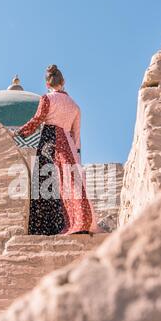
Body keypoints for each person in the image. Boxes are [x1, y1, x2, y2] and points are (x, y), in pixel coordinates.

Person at [13, 65, 99, 236]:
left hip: (49, 142)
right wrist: (76, 156)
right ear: (63, 82)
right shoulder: (75, 106)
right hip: (67, 145)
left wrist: (19, 133)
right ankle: (78, 222)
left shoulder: (47, 99)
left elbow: (37, 120)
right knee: (69, 183)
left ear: (47, 84)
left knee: (45, 182)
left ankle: (45, 229)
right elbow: (77, 136)